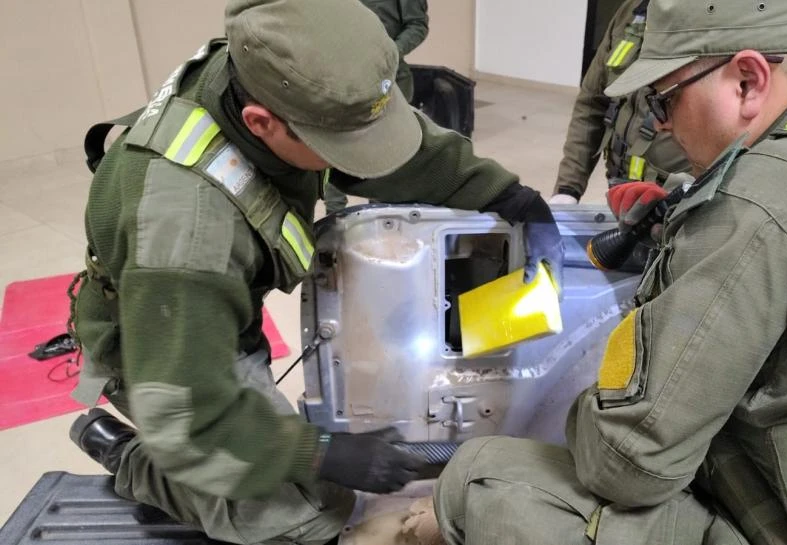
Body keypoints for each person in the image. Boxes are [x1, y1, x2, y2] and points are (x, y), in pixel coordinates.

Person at [433, 1, 787, 544]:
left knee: (482, 480)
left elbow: (628, 466)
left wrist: (579, 406)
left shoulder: (759, 199)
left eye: (666, 99)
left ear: (747, 80)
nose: (660, 122)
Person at [66, 0, 563, 543]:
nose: (356, 161)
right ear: (261, 123)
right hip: (159, 351)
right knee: (304, 519)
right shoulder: (186, 233)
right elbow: (187, 414)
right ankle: (129, 457)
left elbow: (391, 149)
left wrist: (507, 195)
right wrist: (320, 450)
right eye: (337, 147)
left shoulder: (281, 72)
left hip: (212, 306)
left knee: (309, 483)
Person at [549, 0, 689, 205]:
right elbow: (591, 104)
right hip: (619, 191)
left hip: (676, 201)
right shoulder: (632, 12)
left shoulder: (722, 23)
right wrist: (568, 188)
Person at [324, 0, 430, 214]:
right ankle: (333, 216)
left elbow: (418, 25)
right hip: (340, 77)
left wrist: (390, 53)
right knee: (334, 147)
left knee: (383, 153)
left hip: (387, 82)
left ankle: (379, 214)